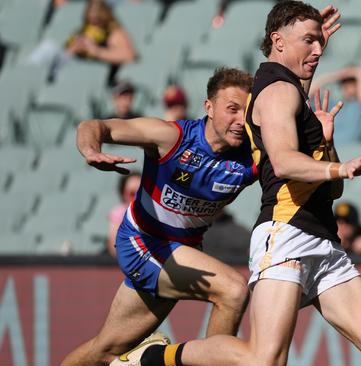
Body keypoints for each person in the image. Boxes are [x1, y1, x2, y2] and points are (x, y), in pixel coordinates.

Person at [115, 2, 361, 365]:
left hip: (322, 239)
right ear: (277, 41)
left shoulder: (288, 89)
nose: (318, 49)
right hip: (286, 236)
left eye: (320, 42)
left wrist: (328, 149)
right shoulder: (275, 91)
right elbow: (284, 162)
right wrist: (340, 168)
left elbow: (332, 191)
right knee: (264, 359)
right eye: (309, 41)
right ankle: (153, 357)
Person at [61, 67, 257, 365]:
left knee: (106, 350)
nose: (240, 120)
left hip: (180, 252)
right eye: (232, 109)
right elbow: (95, 125)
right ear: (208, 107)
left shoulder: (253, 155)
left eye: (247, 111)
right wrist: (91, 150)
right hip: (144, 243)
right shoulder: (171, 137)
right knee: (232, 291)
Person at [309, 65, 361, 144]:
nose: (348, 86)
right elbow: (309, 94)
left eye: (352, 82)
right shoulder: (334, 104)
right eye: (345, 83)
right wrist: (336, 75)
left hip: (353, 146)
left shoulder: (360, 105)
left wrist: (357, 72)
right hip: (331, 144)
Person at [106, 171, 141, 258]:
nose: (136, 197)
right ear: (123, 194)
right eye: (132, 193)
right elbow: (114, 247)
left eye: (140, 192)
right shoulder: (118, 213)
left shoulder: (152, 211)